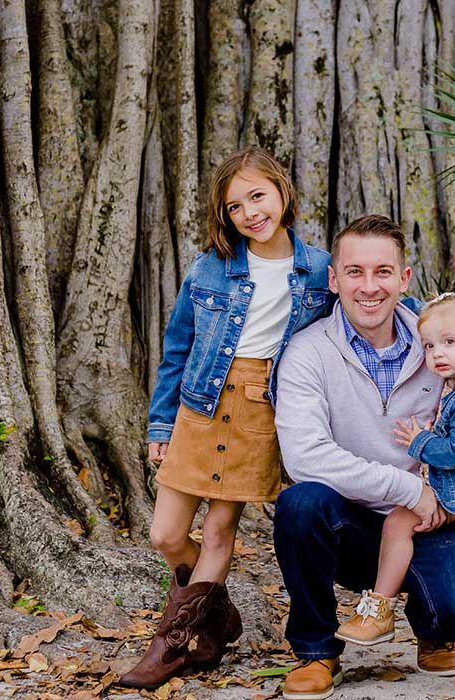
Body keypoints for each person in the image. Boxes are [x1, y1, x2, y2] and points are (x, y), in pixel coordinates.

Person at [119, 148, 332, 690]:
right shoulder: (210, 266)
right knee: (166, 535)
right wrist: (161, 425)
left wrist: (434, 314)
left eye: (257, 196)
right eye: (235, 206)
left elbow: (369, 299)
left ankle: (172, 645)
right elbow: (176, 350)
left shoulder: (320, 270)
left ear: (282, 192)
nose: (249, 213)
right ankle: (216, 612)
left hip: (260, 410)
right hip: (200, 406)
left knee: (218, 529)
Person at [272, 215, 455, 700]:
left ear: (404, 278)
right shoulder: (308, 352)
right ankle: (317, 653)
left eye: (382, 272)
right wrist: (407, 489)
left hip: (431, 519)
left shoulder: (442, 344)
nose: (369, 286)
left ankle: (433, 627)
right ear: (334, 280)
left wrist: (450, 499)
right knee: (300, 504)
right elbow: (304, 456)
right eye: (354, 272)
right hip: (349, 521)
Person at [335, 293, 455, 646]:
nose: (437, 353)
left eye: (449, 342)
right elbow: (445, 322)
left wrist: (419, 442)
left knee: (396, 524)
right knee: (414, 525)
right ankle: (424, 616)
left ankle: (379, 609)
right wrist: (409, 302)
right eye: (428, 345)